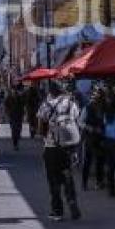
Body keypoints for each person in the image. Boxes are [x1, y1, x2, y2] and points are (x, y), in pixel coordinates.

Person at [37, 82, 82, 221]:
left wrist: (43, 136)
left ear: (50, 91)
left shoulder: (46, 105)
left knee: (53, 180)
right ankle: (72, 202)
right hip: (68, 146)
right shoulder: (71, 104)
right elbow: (76, 121)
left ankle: (57, 211)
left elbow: (40, 125)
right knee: (68, 177)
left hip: (52, 147)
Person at [79, 87, 105, 191]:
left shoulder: (104, 107)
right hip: (90, 137)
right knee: (87, 161)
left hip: (101, 137)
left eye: (98, 95)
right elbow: (80, 122)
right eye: (94, 95)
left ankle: (99, 182)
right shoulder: (88, 107)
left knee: (100, 160)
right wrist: (91, 128)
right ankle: (84, 183)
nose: (95, 97)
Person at [4, 83, 26, 151]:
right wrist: (7, 112)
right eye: (13, 90)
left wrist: (23, 113)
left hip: (19, 115)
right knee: (14, 129)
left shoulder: (20, 96)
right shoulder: (9, 97)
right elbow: (6, 105)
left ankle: (17, 140)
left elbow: (23, 104)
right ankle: (15, 144)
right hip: (12, 115)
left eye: (15, 90)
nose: (14, 91)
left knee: (18, 129)